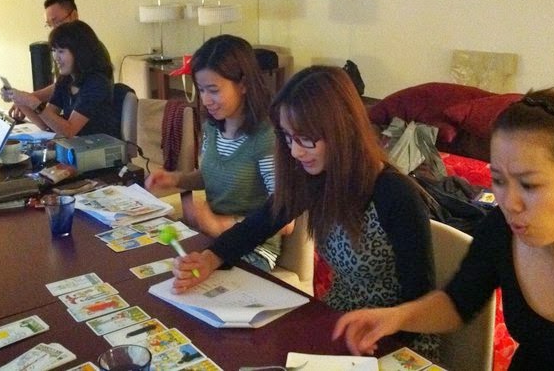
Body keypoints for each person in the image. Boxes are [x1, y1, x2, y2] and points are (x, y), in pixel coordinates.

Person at [171, 66, 439, 358]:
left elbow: (421, 302)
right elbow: (260, 223)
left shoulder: (395, 194)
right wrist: (210, 258)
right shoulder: (316, 178)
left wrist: (379, 335)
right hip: (339, 319)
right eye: (288, 138)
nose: (295, 152)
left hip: (393, 339)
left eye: (306, 139)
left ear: (343, 129)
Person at [333, 88, 554, 369]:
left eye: (529, 185)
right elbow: (457, 303)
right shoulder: (501, 229)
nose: (509, 203)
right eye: (498, 180)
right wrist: (396, 317)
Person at [146, 35, 292, 272]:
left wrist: (219, 224)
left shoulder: (266, 139)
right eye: (201, 90)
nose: (205, 100)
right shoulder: (213, 127)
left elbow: (285, 221)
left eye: (213, 90)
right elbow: (212, 175)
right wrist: (175, 179)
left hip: (252, 250)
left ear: (243, 85)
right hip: (213, 242)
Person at [4, 20, 120, 139]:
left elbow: (69, 130)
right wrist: (19, 100)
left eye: (61, 51)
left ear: (80, 52)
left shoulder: (97, 83)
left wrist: (32, 102)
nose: (56, 57)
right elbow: (46, 124)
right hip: (76, 144)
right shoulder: (66, 79)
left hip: (96, 146)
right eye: (54, 51)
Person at [3, 0, 79, 121]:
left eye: (57, 22)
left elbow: (69, 129)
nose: (53, 29)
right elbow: (61, 85)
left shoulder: (88, 52)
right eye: (49, 25)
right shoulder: (60, 52)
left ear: (74, 16)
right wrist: (22, 99)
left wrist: (29, 99)